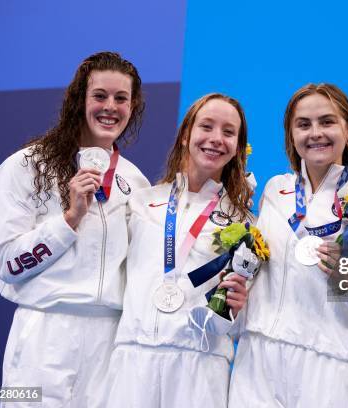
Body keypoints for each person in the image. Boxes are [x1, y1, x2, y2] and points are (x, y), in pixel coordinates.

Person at [0, 51, 150, 407]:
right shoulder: (27, 167)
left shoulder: (135, 182)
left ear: (132, 106)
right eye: (100, 96)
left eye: (121, 98)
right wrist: (69, 219)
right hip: (44, 338)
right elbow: (7, 265)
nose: (111, 107)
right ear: (79, 99)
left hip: (110, 343)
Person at [229, 83, 348, 407]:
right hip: (255, 361)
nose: (315, 132)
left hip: (328, 367)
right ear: (291, 135)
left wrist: (346, 281)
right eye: (303, 124)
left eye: (327, 122)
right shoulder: (276, 190)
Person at [104, 93, 253, 407]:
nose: (216, 139)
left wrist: (238, 310)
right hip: (133, 360)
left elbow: (246, 321)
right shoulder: (142, 201)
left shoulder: (246, 222)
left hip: (201, 366)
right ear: (186, 134)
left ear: (238, 147)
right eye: (207, 126)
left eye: (228, 132)